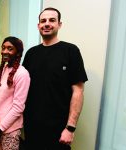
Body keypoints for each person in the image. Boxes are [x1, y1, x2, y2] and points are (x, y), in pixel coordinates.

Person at [22, 7, 88, 150]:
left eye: (52, 20)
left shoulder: (71, 51)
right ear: (38, 25)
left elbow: (78, 91)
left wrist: (70, 128)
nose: (47, 24)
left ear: (59, 24)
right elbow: (22, 90)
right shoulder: (31, 54)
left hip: (58, 131)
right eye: (43, 21)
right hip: (31, 128)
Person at [0, 36, 30, 150]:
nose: (5, 51)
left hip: (9, 130)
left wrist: (0, 129)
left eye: (10, 48)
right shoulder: (2, 69)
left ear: (18, 52)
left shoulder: (22, 74)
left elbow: (18, 107)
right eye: (3, 48)